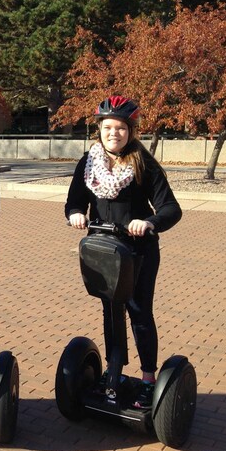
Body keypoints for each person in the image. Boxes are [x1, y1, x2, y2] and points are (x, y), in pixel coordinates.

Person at [65, 95, 182, 409]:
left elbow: (171, 208)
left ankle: (147, 379)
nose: (113, 133)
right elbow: (74, 200)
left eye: (120, 128)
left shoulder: (142, 162)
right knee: (110, 311)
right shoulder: (88, 163)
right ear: (99, 129)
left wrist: (149, 222)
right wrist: (75, 213)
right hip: (103, 251)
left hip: (138, 251)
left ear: (130, 131)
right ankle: (113, 371)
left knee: (139, 313)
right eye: (107, 127)